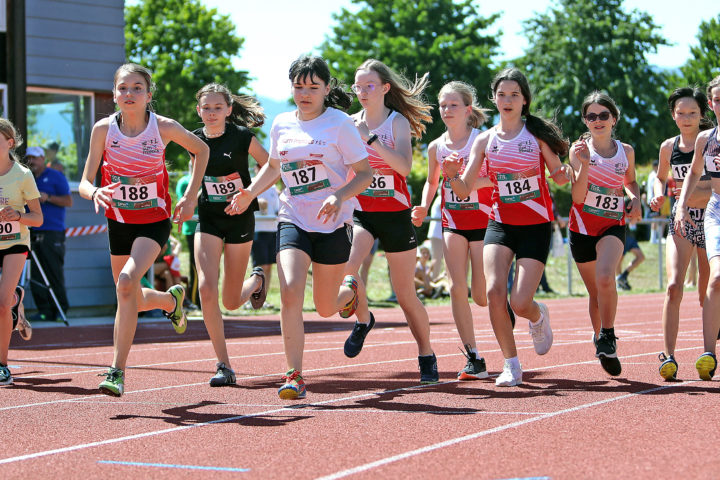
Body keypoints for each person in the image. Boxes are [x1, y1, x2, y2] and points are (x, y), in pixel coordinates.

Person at [229, 55, 372, 399]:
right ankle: (294, 375)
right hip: (293, 216)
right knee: (290, 291)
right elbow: (275, 168)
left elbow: (365, 174)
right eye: (298, 87)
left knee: (325, 308)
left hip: (332, 222)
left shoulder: (339, 124)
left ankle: (350, 289)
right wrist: (250, 192)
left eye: (312, 87)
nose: (304, 94)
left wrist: (338, 197)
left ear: (326, 89)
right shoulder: (281, 123)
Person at [78, 63, 209, 396]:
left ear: (149, 95)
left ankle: (116, 371)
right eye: (123, 88)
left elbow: (201, 149)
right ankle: (170, 302)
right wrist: (94, 192)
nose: (129, 94)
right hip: (118, 221)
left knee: (125, 283)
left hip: (153, 222)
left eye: (137, 88)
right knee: (130, 297)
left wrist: (191, 197)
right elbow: (83, 181)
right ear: (114, 94)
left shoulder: (162, 127)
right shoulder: (103, 130)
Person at [443, 68, 572, 387]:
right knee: (492, 291)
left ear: (525, 100)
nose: (507, 100)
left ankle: (538, 315)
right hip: (499, 223)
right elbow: (463, 189)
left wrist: (563, 173)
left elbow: (559, 175)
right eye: (502, 94)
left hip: (535, 224)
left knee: (520, 302)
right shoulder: (485, 140)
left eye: (514, 94)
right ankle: (511, 364)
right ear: (494, 99)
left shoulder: (536, 136)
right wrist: (450, 174)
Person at [340, 59, 439, 383]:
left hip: (396, 215)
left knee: (405, 293)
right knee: (347, 271)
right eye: (358, 86)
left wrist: (371, 139)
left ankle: (426, 352)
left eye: (369, 86)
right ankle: (364, 319)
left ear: (384, 88)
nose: (363, 92)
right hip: (362, 213)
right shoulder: (349, 122)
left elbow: (405, 167)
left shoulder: (396, 122)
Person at [412, 80, 493, 380]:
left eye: (453, 105)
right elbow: (432, 183)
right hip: (453, 221)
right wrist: (423, 205)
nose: (446, 110)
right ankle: (473, 356)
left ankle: (503, 305)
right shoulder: (436, 146)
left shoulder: (482, 140)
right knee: (457, 287)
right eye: (443, 105)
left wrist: (464, 180)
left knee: (482, 296)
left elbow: (495, 179)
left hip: (484, 221)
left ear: (468, 109)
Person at [192, 83, 269, 386]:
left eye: (217, 107)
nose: (211, 113)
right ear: (199, 111)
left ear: (228, 110)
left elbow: (270, 165)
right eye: (206, 108)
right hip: (209, 219)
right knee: (206, 290)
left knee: (232, 301)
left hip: (239, 219)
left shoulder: (242, 137)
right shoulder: (193, 140)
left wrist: (249, 194)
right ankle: (224, 365)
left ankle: (257, 280)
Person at [568, 91, 641, 376]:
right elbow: (576, 197)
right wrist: (584, 164)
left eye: (603, 115)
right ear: (585, 121)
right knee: (595, 293)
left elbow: (631, 181)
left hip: (612, 225)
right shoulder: (578, 150)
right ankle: (599, 335)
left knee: (605, 277)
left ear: (614, 118)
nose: (597, 121)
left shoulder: (627, 151)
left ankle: (608, 335)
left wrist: (634, 198)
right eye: (591, 116)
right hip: (582, 227)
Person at [650, 87, 713, 380]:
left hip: (712, 220)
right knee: (674, 286)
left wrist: (689, 195)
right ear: (673, 114)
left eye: (692, 113)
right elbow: (660, 179)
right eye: (680, 112)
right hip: (681, 223)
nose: (686, 118)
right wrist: (657, 195)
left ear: (703, 114)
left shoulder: (711, 141)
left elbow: (712, 188)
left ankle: (707, 354)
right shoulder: (668, 147)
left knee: (706, 293)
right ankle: (669, 356)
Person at [674, 74, 720, 381]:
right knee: (715, 280)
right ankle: (709, 353)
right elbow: (693, 173)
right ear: (711, 104)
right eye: (717, 99)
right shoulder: (706, 139)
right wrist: (680, 203)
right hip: (716, 210)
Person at [0, 119, 43, 385]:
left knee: (2, 305)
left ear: (9, 143)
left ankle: (2, 365)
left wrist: (18, 215)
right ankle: (15, 297)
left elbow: (38, 218)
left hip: (14, 242)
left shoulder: (22, 175)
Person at [25, 145, 72, 322]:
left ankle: (60, 310)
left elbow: (69, 201)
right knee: (36, 274)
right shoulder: (26, 177)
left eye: (35, 158)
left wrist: (48, 198)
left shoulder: (55, 176)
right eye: (29, 158)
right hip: (32, 232)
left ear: (43, 159)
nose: (32, 161)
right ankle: (44, 311)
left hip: (52, 233)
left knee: (54, 273)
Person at [251, 162, 280, 308]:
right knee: (259, 267)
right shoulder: (251, 184)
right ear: (256, 169)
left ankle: (263, 299)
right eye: (260, 166)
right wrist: (256, 202)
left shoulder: (273, 187)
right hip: (258, 229)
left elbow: (277, 208)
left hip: (272, 230)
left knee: (268, 267)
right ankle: (254, 298)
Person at [175, 171, 200, 308]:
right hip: (192, 228)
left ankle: (203, 298)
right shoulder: (185, 182)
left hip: (210, 226)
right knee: (196, 266)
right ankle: (195, 300)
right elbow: (185, 205)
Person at [616, 219, 645, 290]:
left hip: (631, 236)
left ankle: (623, 276)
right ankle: (619, 283)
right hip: (622, 234)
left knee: (641, 257)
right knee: (619, 259)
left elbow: (638, 217)